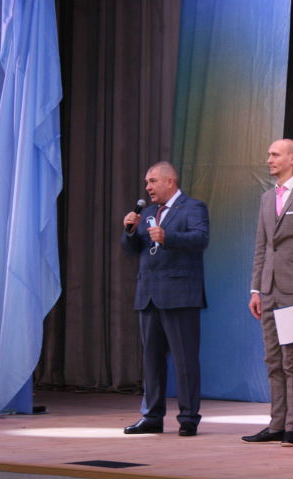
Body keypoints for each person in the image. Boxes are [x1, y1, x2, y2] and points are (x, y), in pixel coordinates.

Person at [243, 139, 293, 446]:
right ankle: (276, 424)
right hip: (268, 289)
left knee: (292, 361)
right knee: (272, 360)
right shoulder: (267, 198)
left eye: (275, 154)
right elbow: (262, 246)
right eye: (269, 155)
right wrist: (256, 289)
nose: (269, 159)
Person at [121, 161, 209, 437]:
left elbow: (200, 239)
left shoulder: (193, 207)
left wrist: (168, 237)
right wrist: (129, 231)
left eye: (152, 181)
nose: (147, 187)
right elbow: (132, 250)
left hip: (180, 296)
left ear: (170, 181)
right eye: (146, 183)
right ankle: (151, 416)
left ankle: (189, 417)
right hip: (149, 295)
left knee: (185, 360)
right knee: (151, 361)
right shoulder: (147, 213)